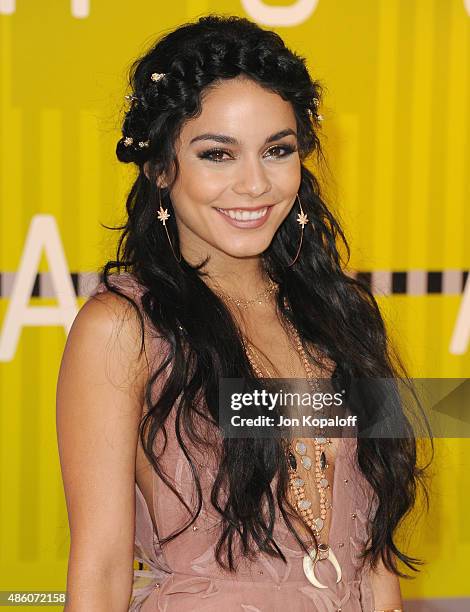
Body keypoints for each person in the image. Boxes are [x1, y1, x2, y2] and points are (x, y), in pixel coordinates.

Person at [56, 14, 429, 612]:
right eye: (218, 154)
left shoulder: (345, 316)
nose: (255, 184)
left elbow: (376, 561)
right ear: (158, 167)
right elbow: (100, 570)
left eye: (277, 150)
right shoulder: (123, 329)